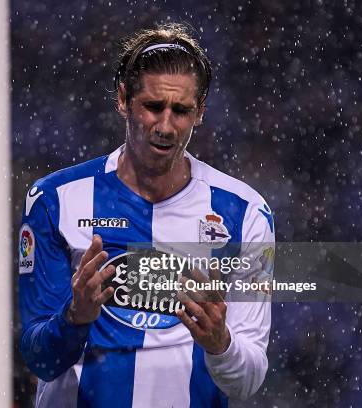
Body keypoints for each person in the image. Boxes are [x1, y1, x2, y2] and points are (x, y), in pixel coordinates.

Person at [18, 23, 275, 408]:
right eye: (154, 107)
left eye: (182, 110)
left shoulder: (246, 213)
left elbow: (248, 380)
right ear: (123, 99)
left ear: (200, 111)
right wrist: (74, 317)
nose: (166, 126)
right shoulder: (56, 200)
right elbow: (39, 357)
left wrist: (220, 344)